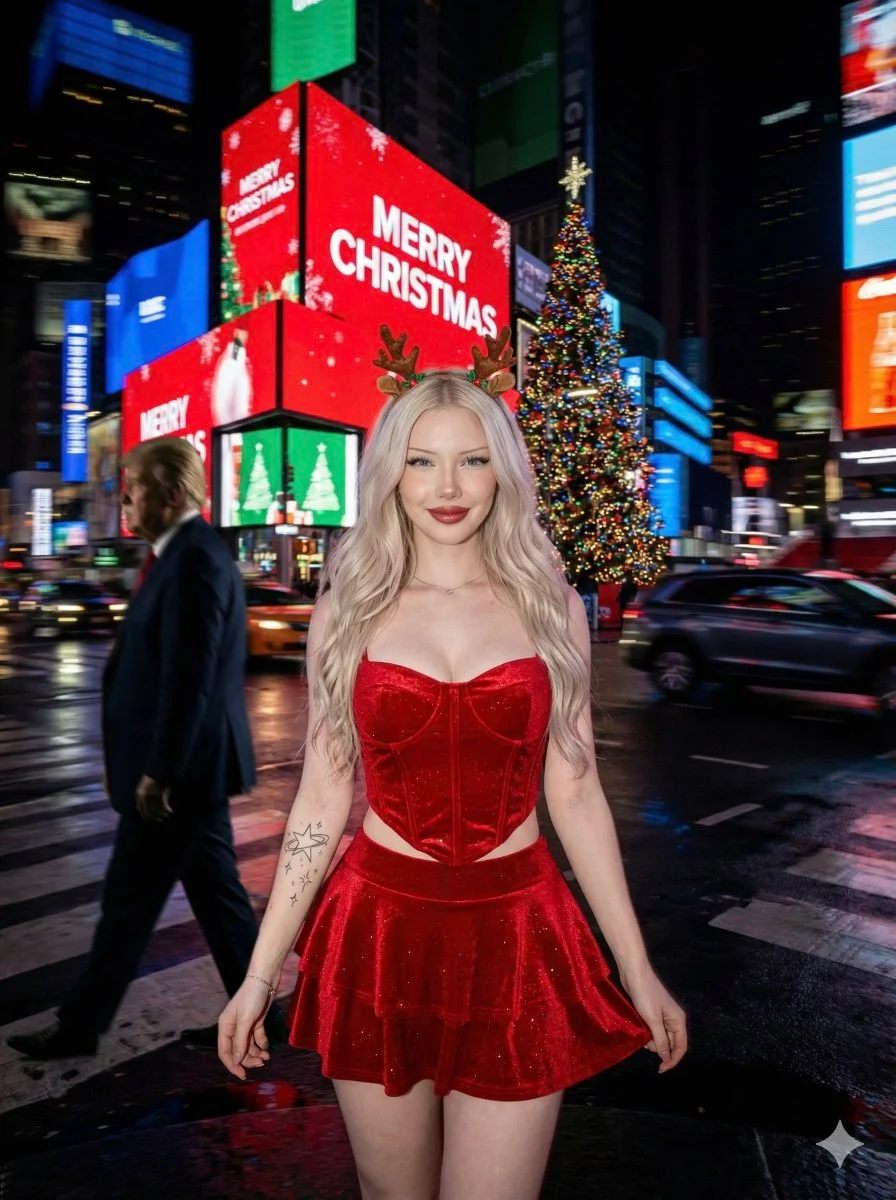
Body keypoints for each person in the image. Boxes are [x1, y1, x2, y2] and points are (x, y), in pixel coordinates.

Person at [217, 327, 687, 1200]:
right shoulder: (349, 607)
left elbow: (575, 791)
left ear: (502, 469)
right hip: (379, 929)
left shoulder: (549, 604)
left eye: (471, 461)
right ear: (391, 469)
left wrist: (636, 969)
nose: (446, 488)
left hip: (520, 931)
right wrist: (257, 978)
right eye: (423, 461)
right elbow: (322, 800)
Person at [8, 436, 285, 1060]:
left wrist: (159, 772)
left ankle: (80, 1027)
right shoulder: (176, 555)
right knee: (219, 901)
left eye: (134, 484)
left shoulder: (192, 560)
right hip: (195, 769)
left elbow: (188, 679)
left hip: (179, 775)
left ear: (174, 492)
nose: (124, 495)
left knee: (128, 904)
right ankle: (264, 1012)